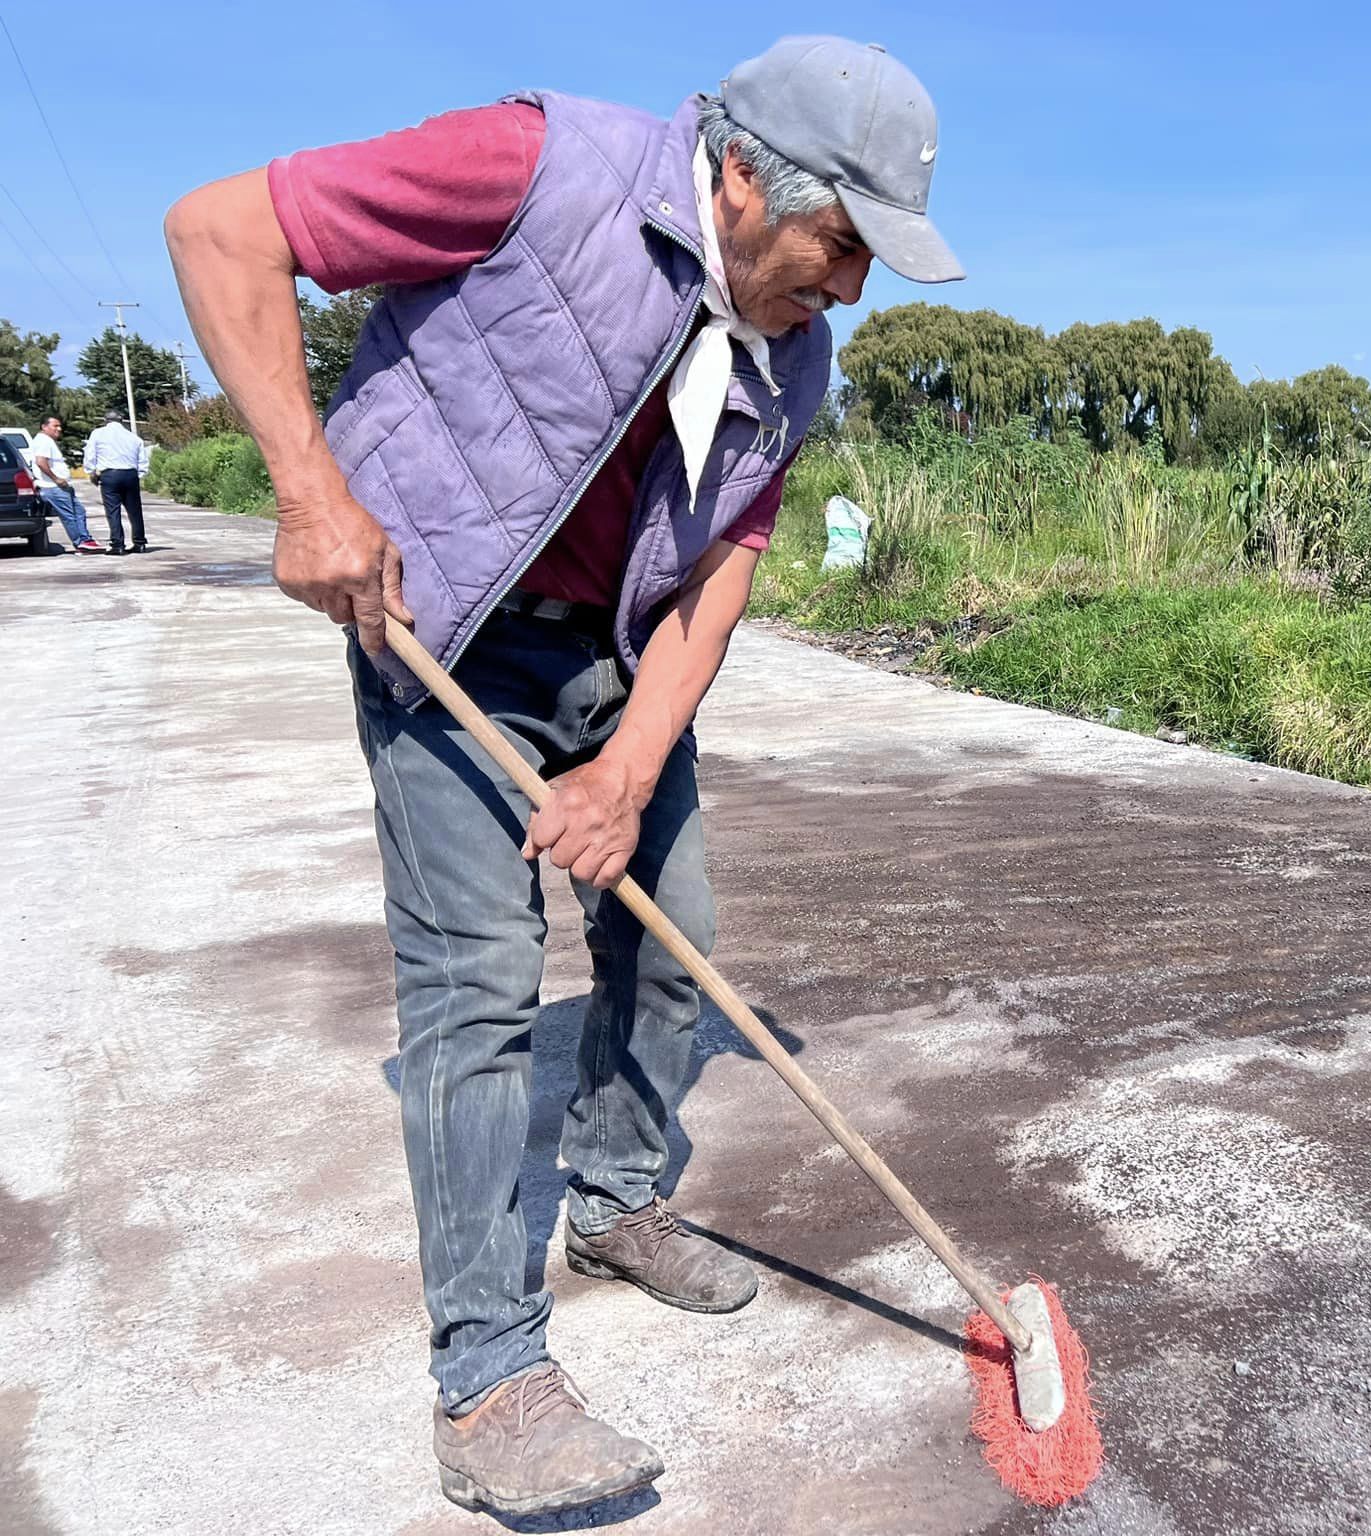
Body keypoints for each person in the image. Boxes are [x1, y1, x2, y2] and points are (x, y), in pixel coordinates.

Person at [166, 36, 961, 1517]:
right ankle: (488, 1380)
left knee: (677, 947)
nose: (847, 287)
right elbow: (222, 228)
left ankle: (613, 1200)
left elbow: (723, 567)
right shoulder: (535, 168)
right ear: (739, 176)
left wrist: (627, 768)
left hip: (614, 660)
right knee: (473, 986)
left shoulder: (792, 348)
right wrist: (308, 492)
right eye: (839, 243)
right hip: (444, 635)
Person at [28, 416, 105, 553]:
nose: (59, 429)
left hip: (61, 486)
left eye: (59, 426)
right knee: (69, 516)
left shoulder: (47, 441)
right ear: (44, 427)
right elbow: (41, 462)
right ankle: (80, 542)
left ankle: (85, 539)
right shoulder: (43, 441)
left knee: (79, 511)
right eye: (55, 426)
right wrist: (56, 479)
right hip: (53, 487)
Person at [83, 410, 151, 553]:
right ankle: (139, 543)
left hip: (110, 474)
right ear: (121, 421)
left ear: (105, 420)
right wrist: (138, 475)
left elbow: (90, 455)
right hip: (130, 474)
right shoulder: (133, 437)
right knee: (135, 511)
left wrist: (92, 472)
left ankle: (118, 544)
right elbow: (143, 461)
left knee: (113, 511)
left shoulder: (98, 434)